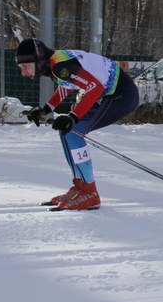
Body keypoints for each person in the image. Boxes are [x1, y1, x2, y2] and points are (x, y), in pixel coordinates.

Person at [16, 38, 140, 210]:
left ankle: (90, 192)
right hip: (110, 94)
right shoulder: (56, 63)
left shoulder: (59, 65)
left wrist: (73, 117)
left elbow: (94, 87)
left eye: (25, 66)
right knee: (66, 131)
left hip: (121, 95)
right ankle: (81, 187)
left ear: (38, 60)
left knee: (73, 131)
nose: (24, 73)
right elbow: (67, 85)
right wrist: (46, 109)